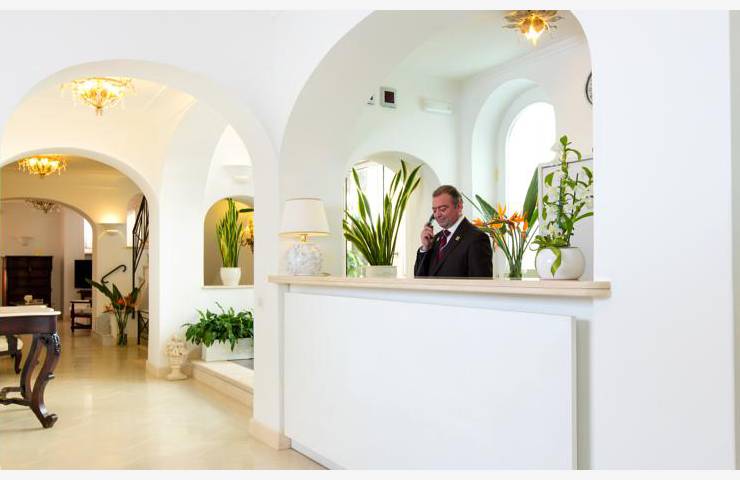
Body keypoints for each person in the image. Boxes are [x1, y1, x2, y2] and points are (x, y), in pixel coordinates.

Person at [414, 185, 493, 278]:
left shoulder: (477, 239)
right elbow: (419, 279)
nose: (437, 215)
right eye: (434, 210)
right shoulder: (434, 240)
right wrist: (425, 248)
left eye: (443, 209)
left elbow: (480, 284)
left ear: (459, 206)